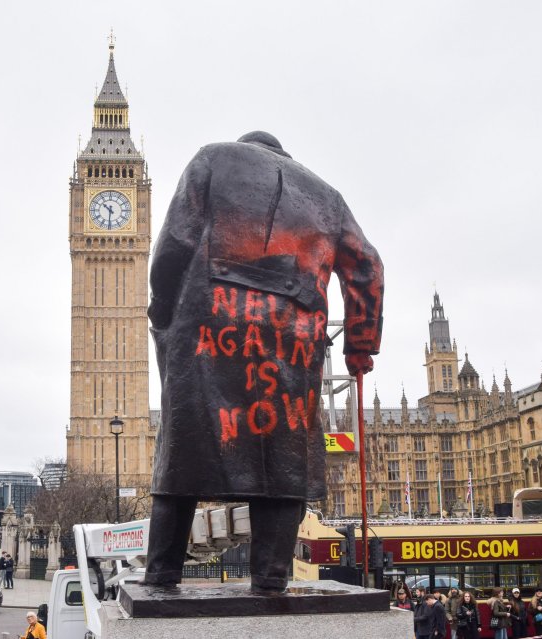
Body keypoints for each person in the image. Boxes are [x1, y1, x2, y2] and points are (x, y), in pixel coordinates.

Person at [142, 131, 384, 595]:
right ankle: (271, 578)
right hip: (293, 336)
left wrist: (163, 308)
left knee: (183, 445)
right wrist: (361, 344)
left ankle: (161, 574)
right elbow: (367, 268)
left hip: (207, 321)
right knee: (284, 455)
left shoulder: (212, 158)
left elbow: (173, 243)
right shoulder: (328, 198)